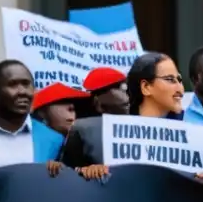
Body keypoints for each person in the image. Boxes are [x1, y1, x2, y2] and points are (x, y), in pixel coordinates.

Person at [63, 52, 187, 181]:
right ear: (98, 102)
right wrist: (85, 171)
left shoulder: (156, 121)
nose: (128, 92)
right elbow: (66, 173)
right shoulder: (83, 130)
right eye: (121, 87)